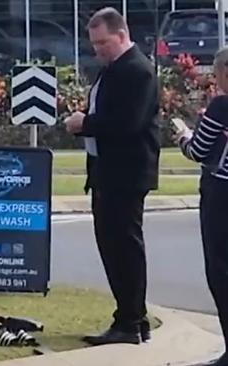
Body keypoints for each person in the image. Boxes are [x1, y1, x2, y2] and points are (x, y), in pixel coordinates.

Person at [64, 7, 160, 345]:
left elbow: (127, 123)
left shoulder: (137, 71)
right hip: (106, 172)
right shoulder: (112, 70)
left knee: (124, 248)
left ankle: (131, 322)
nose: (98, 50)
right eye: (94, 44)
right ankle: (130, 316)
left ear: (121, 35)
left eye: (103, 42)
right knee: (112, 246)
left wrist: (84, 123)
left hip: (126, 173)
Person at [174, 47, 228, 366]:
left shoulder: (222, 106)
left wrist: (183, 135)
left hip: (221, 195)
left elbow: (198, 150)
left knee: (221, 271)